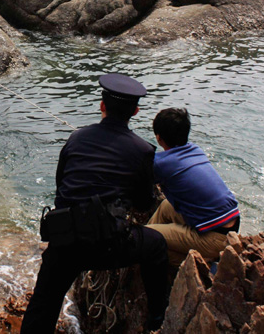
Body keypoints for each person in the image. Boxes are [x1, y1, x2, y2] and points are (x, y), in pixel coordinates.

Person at [21, 74, 169, 333]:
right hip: (108, 245)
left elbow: (61, 186)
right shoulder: (143, 150)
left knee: (42, 305)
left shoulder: (76, 138)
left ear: (102, 105)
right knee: (156, 244)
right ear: (135, 111)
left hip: (65, 240)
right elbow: (144, 202)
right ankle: (157, 318)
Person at [146, 108, 240, 266]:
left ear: (158, 137)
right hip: (231, 224)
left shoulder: (162, 164)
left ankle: (201, 263)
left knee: (146, 238)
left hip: (214, 237)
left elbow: (138, 177)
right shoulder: (195, 150)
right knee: (166, 207)